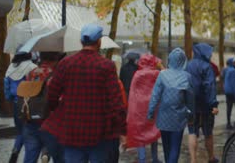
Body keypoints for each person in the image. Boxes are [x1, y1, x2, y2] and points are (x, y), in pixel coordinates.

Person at [41, 24, 126, 163]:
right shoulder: (106, 66)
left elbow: (52, 96)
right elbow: (115, 102)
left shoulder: (66, 64)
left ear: (81, 42)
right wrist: (122, 129)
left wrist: (61, 111)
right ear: (99, 42)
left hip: (72, 131)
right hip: (100, 133)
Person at [148, 47, 194, 163]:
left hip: (163, 117)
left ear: (170, 60)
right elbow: (190, 100)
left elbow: (155, 96)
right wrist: (191, 116)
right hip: (178, 118)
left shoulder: (162, 75)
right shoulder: (187, 76)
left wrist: (150, 113)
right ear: (184, 60)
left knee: (166, 147)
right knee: (175, 147)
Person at [21, 51, 66, 163]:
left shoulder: (31, 73)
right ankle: (45, 154)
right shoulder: (57, 75)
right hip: (50, 122)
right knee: (59, 158)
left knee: (29, 158)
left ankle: (45, 154)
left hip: (31, 120)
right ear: (55, 59)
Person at [186, 43, 219, 163]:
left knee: (192, 132)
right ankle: (211, 157)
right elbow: (209, 86)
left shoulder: (188, 65)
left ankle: (193, 160)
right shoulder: (207, 66)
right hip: (205, 105)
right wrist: (213, 104)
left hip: (191, 104)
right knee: (208, 133)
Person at [127, 53, 162, 163]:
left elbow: (132, 93)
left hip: (139, 108)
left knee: (140, 133)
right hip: (153, 106)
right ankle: (155, 158)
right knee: (154, 132)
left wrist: (130, 111)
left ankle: (142, 160)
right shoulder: (157, 74)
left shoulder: (137, 74)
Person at [4, 48, 37, 163]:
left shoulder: (10, 68)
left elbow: (6, 87)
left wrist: (9, 100)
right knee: (29, 132)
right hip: (28, 103)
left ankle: (15, 150)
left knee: (20, 131)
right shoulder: (31, 67)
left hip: (15, 103)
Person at [222, 57, 235, 129]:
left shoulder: (225, 70)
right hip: (234, 92)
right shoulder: (234, 71)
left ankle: (228, 123)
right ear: (232, 63)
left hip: (227, 92)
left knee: (229, 108)